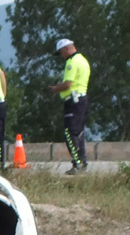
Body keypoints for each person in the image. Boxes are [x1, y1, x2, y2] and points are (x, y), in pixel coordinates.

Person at [48, 38, 90, 174]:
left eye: (61, 52)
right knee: (79, 132)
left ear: (66, 49)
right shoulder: (83, 60)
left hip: (73, 100)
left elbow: (68, 84)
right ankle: (82, 161)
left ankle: (77, 163)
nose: (61, 56)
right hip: (82, 99)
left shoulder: (72, 62)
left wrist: (56, 88)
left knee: (70, 132)